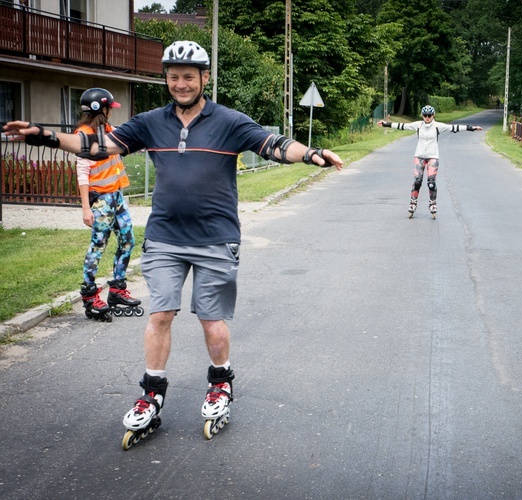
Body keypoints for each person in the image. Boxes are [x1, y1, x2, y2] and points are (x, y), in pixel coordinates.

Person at [3, 40, 344, 446]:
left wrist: (312, 154)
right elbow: (98, 148)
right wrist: (43, 136)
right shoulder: (150, 122)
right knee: (160, 315)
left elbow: (273, 144)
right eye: (173, 76)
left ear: (204, 77)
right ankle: (151, 393)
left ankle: (221, 382)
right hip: (165, 237)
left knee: (210, 318)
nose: (181, 84)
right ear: (166, 78)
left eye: (188, 76)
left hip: (216, 237)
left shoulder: (230, 121)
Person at [75, 88, 142, 321]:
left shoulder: (108, 130)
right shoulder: (84, 136)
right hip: (101, 200)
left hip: (117, 196)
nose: (110, 112)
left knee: (128, 239)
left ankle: (117, 288)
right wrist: (86, 208)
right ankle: (90, 295)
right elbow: (82, 172)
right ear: (100, 109)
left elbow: (125, 144)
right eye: (108, 108)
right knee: (98, 246)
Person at [377, 105, 482, 219]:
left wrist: (471, 127)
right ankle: (413, 203)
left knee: (431, 183)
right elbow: (402, 126)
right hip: (419, 156)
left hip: (433, 157)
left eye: (429, 115)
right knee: (417, 182)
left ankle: (432, 204)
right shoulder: (418, 125)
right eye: (425, 115)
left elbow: (454, 127)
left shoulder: (437, 126)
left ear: (433, 115)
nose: (427, 118)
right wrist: (386, 124)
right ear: (422, 115)